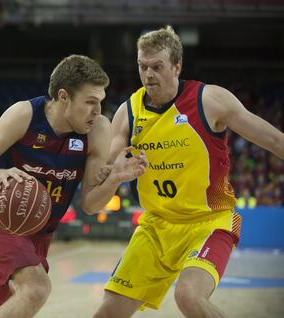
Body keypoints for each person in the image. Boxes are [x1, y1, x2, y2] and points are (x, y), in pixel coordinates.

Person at [0, 54, 147, 318]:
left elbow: (91, 205)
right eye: (90, 102)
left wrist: (115, 178)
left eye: (100, 102)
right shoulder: (25, 114)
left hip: (37, 235)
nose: (97, 111)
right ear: (64, 96)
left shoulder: (97, 130)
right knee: (36, 288)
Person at [93, 26, 284, 318]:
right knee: (108, 311)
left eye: (157, 67)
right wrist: (117, 172)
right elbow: (105, 171)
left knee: (189, 296)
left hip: (208, 222)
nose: (148, 75)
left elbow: (273, 140)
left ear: (177, 66)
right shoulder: (128, 112)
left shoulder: (209, 100)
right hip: (156, 227)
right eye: (142, 67)